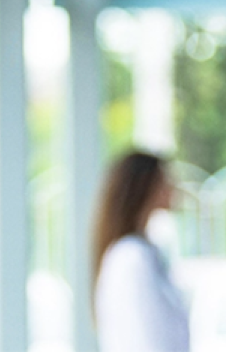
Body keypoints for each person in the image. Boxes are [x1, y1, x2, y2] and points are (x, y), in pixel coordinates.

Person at [90, 151, 189, 352]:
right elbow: (147, 339)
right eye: (165, 180)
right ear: (145, 186)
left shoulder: (141, 252)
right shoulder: (132, 257)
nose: (174, 188)